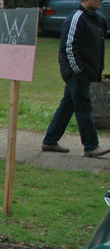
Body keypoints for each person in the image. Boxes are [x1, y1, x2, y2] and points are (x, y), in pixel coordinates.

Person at [41, 0, 109, 157]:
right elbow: (68, 47)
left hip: (84, 72)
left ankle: (50, 141)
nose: (100, 1)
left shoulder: (96, 19)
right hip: (76, 72)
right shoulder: (76, 18)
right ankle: (91, 146)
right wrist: (78, 70)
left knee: (68, 105)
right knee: (83, 107)